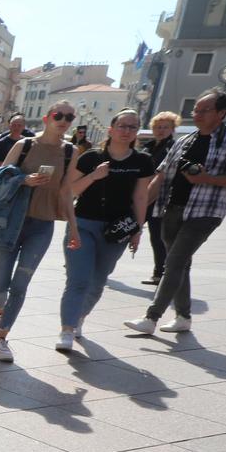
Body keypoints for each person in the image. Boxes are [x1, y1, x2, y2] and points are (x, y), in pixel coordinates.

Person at [123, 90, 226, 336]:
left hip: (205, 211)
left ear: (221, 113)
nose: (197, 114)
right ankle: (183, 316)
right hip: (172, 208)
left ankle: (151, 318)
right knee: (181, 264)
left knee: (173, 262)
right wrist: (138, 215)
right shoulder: (184, 141)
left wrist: (207, 178)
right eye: (195, 109)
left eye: (204, 110)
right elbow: (160, 178)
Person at [0, 101, 81, 362]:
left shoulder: (71, 152)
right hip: (10, 222)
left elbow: (66, 191)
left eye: (69, 117)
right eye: (58, 115)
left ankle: (1, 338)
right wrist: (23, 180)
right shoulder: (24, 145)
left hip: (43, 224)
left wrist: (73, 227)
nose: (63, 120)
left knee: (21, 284)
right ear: (47, 117)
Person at [56, 109, 153, 351]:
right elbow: (69, 191)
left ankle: (79, 319)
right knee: (78, 280)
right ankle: (67, 329)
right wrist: (94, 176)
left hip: (117, 229)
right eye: (122, 125)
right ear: (111, 129)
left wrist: (138, 230)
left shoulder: (142, 161)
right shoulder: (91, 157)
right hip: (83, 224)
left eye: (132, 127)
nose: (126, 131)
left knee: (98, 282)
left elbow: (141, 196)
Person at [139, 111, 179, 284]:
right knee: (127, 229)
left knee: (157, 237)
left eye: (165, 127)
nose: (161, 130)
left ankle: (160, 273)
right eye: (157, 127)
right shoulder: (148, 146)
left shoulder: (173, 147)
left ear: (172, 129)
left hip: (160, 199)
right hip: (142, 194)